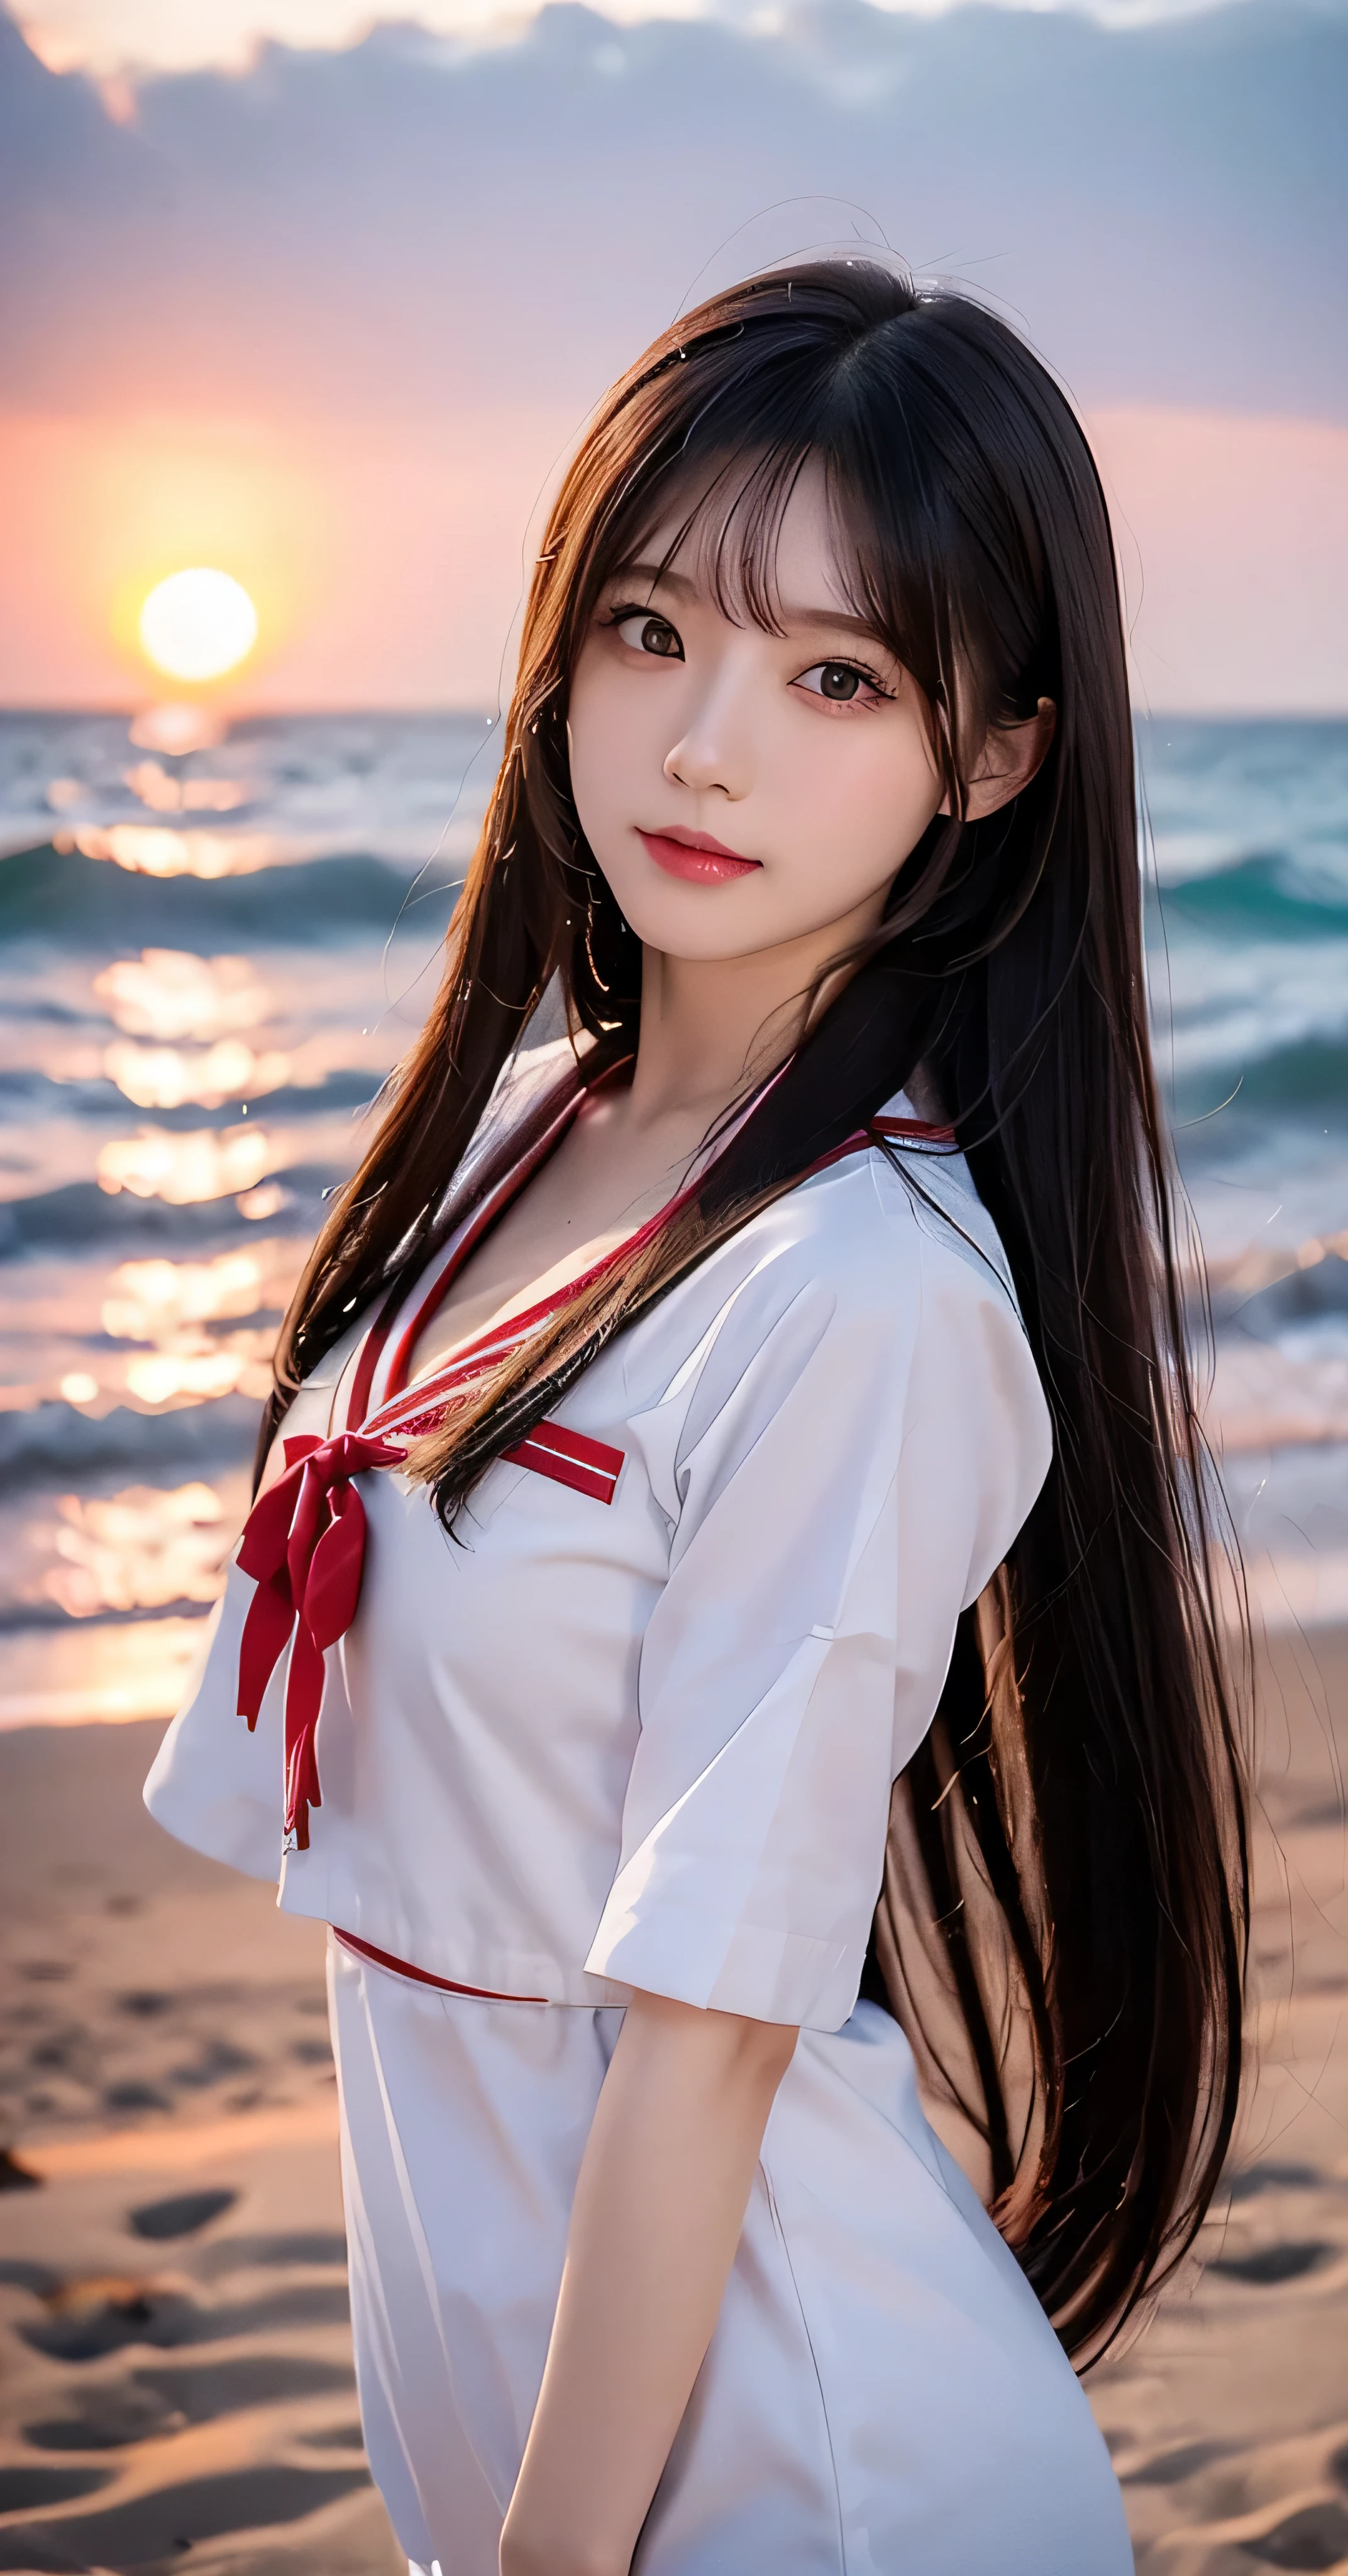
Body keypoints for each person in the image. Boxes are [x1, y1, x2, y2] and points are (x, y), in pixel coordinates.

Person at [145, 260, 1248, 2576]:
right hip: (521, 2390)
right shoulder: (524, 1136)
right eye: (650, 632)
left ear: (998, 754)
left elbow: (713, 2032)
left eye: (836, 675)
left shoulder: (865, 1299)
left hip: (793, 2472)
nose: (703, 744)